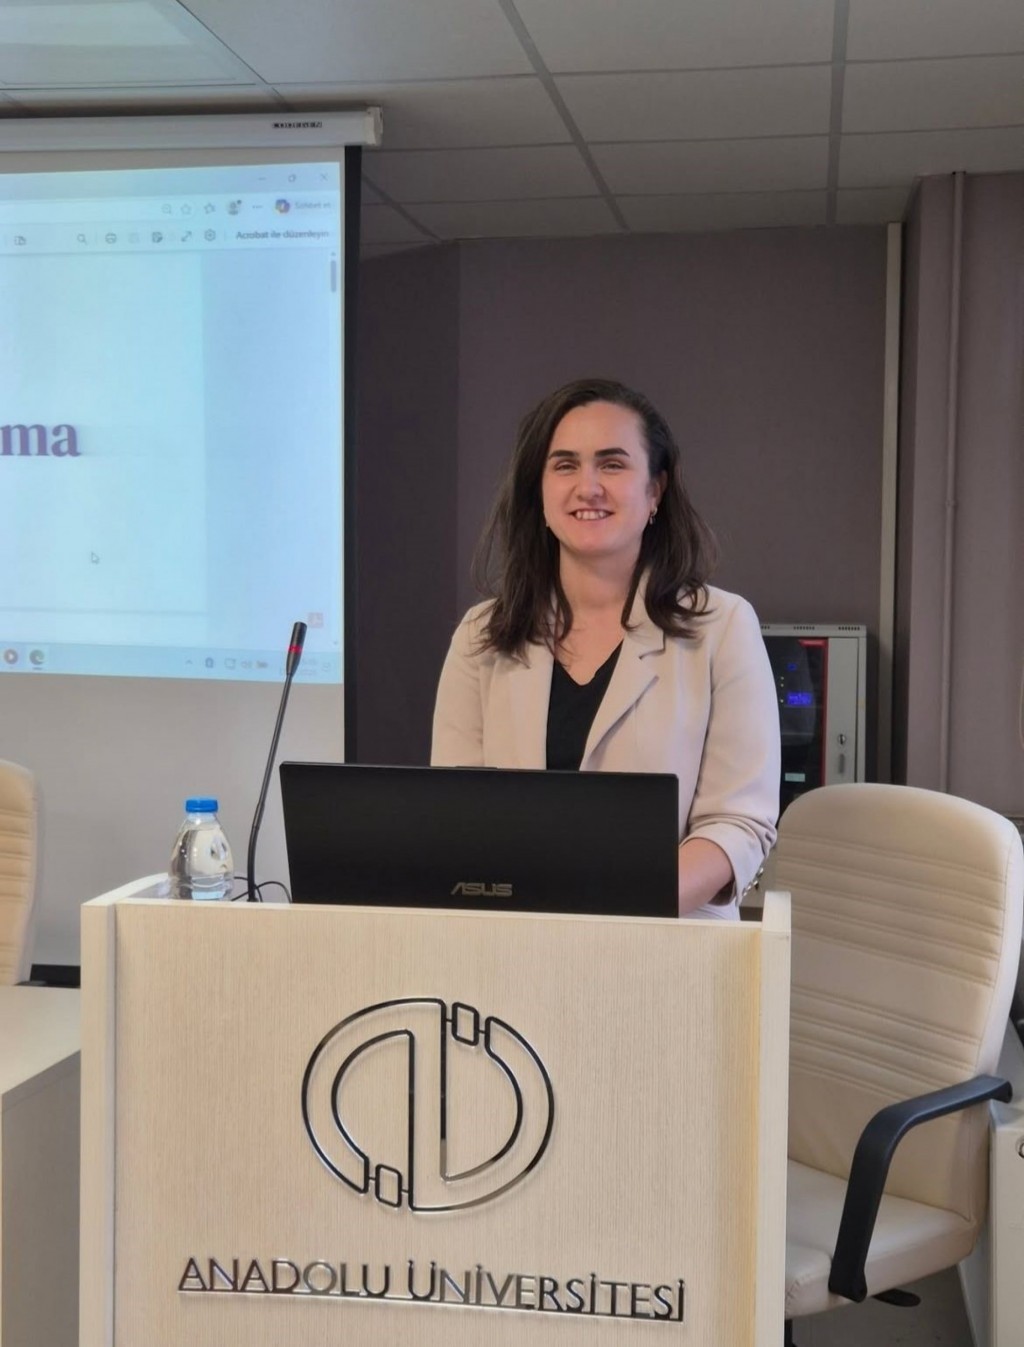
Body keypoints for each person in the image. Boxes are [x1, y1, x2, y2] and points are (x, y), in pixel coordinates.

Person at [431, 378, 780, 920]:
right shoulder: (482, 636)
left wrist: (617, 911)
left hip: (667, 944)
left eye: (612, 464)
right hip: (512, 944)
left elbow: (737, 824)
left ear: (655, 491)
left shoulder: (723, 626)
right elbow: (457, 820)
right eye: (564, 465)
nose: (587, 486)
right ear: (539, 492)